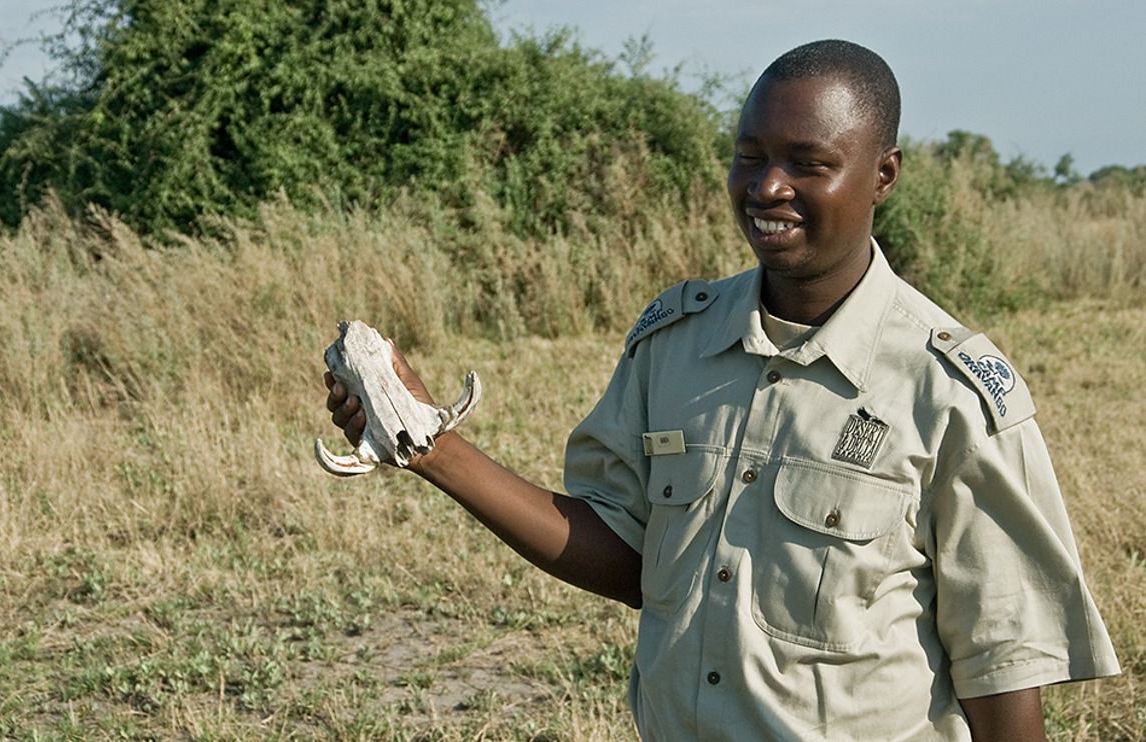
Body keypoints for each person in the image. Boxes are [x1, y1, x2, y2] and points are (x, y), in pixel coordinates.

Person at [325, 39, 1119, 741]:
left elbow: (1001, 657)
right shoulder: (672, 347)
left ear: (882, 175)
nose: (766, 187)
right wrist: (429, 446)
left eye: (807, 162)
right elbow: (630, 557)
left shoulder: (946, 390)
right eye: (749, 156)